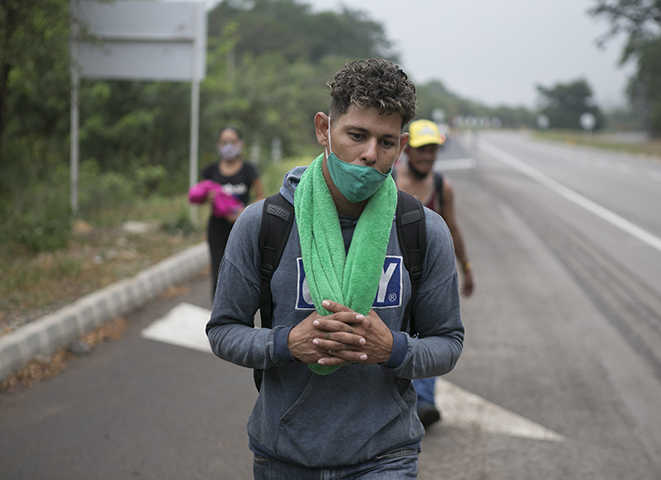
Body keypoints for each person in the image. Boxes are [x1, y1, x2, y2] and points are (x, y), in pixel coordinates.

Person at [206, 58, 464, 479]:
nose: (369, 155)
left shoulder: (422, 230)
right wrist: (287, 344)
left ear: (400, 146)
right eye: (357, 135)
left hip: (386, 455)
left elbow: (448, 343)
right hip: (283, 454)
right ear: (324, 129)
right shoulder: (265, 223)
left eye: (385, 143)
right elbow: (222, 331)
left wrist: (393, 349)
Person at [394, 119, 474, 430]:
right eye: (422, 149)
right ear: (407, 149)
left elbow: (452, 228)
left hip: (429, 275)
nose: (428, 156)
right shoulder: (388, 180)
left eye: (433, 150)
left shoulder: (442, 187)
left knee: (431, 332)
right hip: (393, 273)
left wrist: (466, 267)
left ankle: (425, 402)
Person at [191, 125, 265, 300]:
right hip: (217, 228)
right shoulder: (211, 170)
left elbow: (261, 196)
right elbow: (199, 196)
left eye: (232, 142)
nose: (228, 146)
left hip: (242, 228)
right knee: (218, 270)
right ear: (218, 145)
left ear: (240, 144)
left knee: (242, 271)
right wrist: (207, 198)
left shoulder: (249, 170)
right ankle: (217, 315)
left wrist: (243, 212)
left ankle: (241, 314)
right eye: (224, 142)